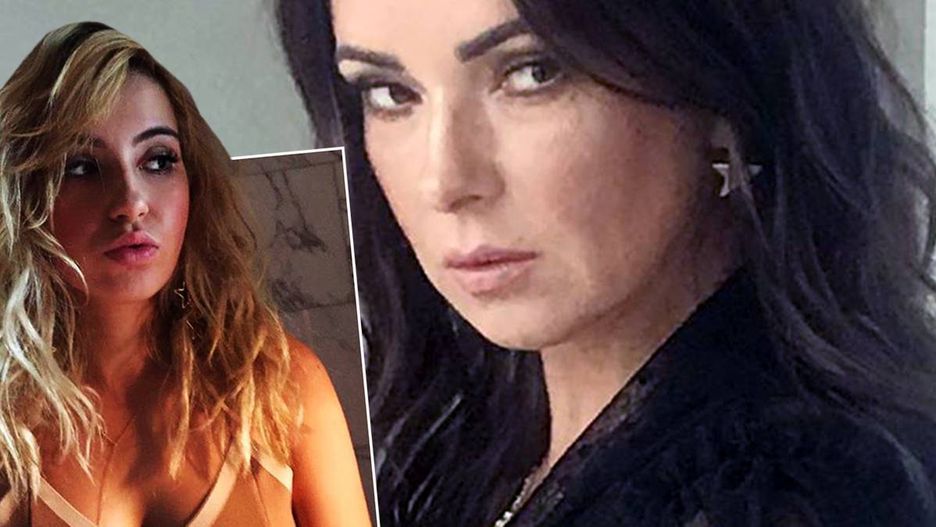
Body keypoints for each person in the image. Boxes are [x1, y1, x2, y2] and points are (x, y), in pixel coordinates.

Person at [278, 0, 936, 525]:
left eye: (533, 72)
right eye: (389, 92)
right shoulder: (466, 443)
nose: (442, 181)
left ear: (719, 84)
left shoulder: (790, 489)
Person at [0, 21, 371, 526]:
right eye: (82, 167)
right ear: (24, 198)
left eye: (157, 161)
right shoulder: (8, 425)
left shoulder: (280, 388)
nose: (131, 202)